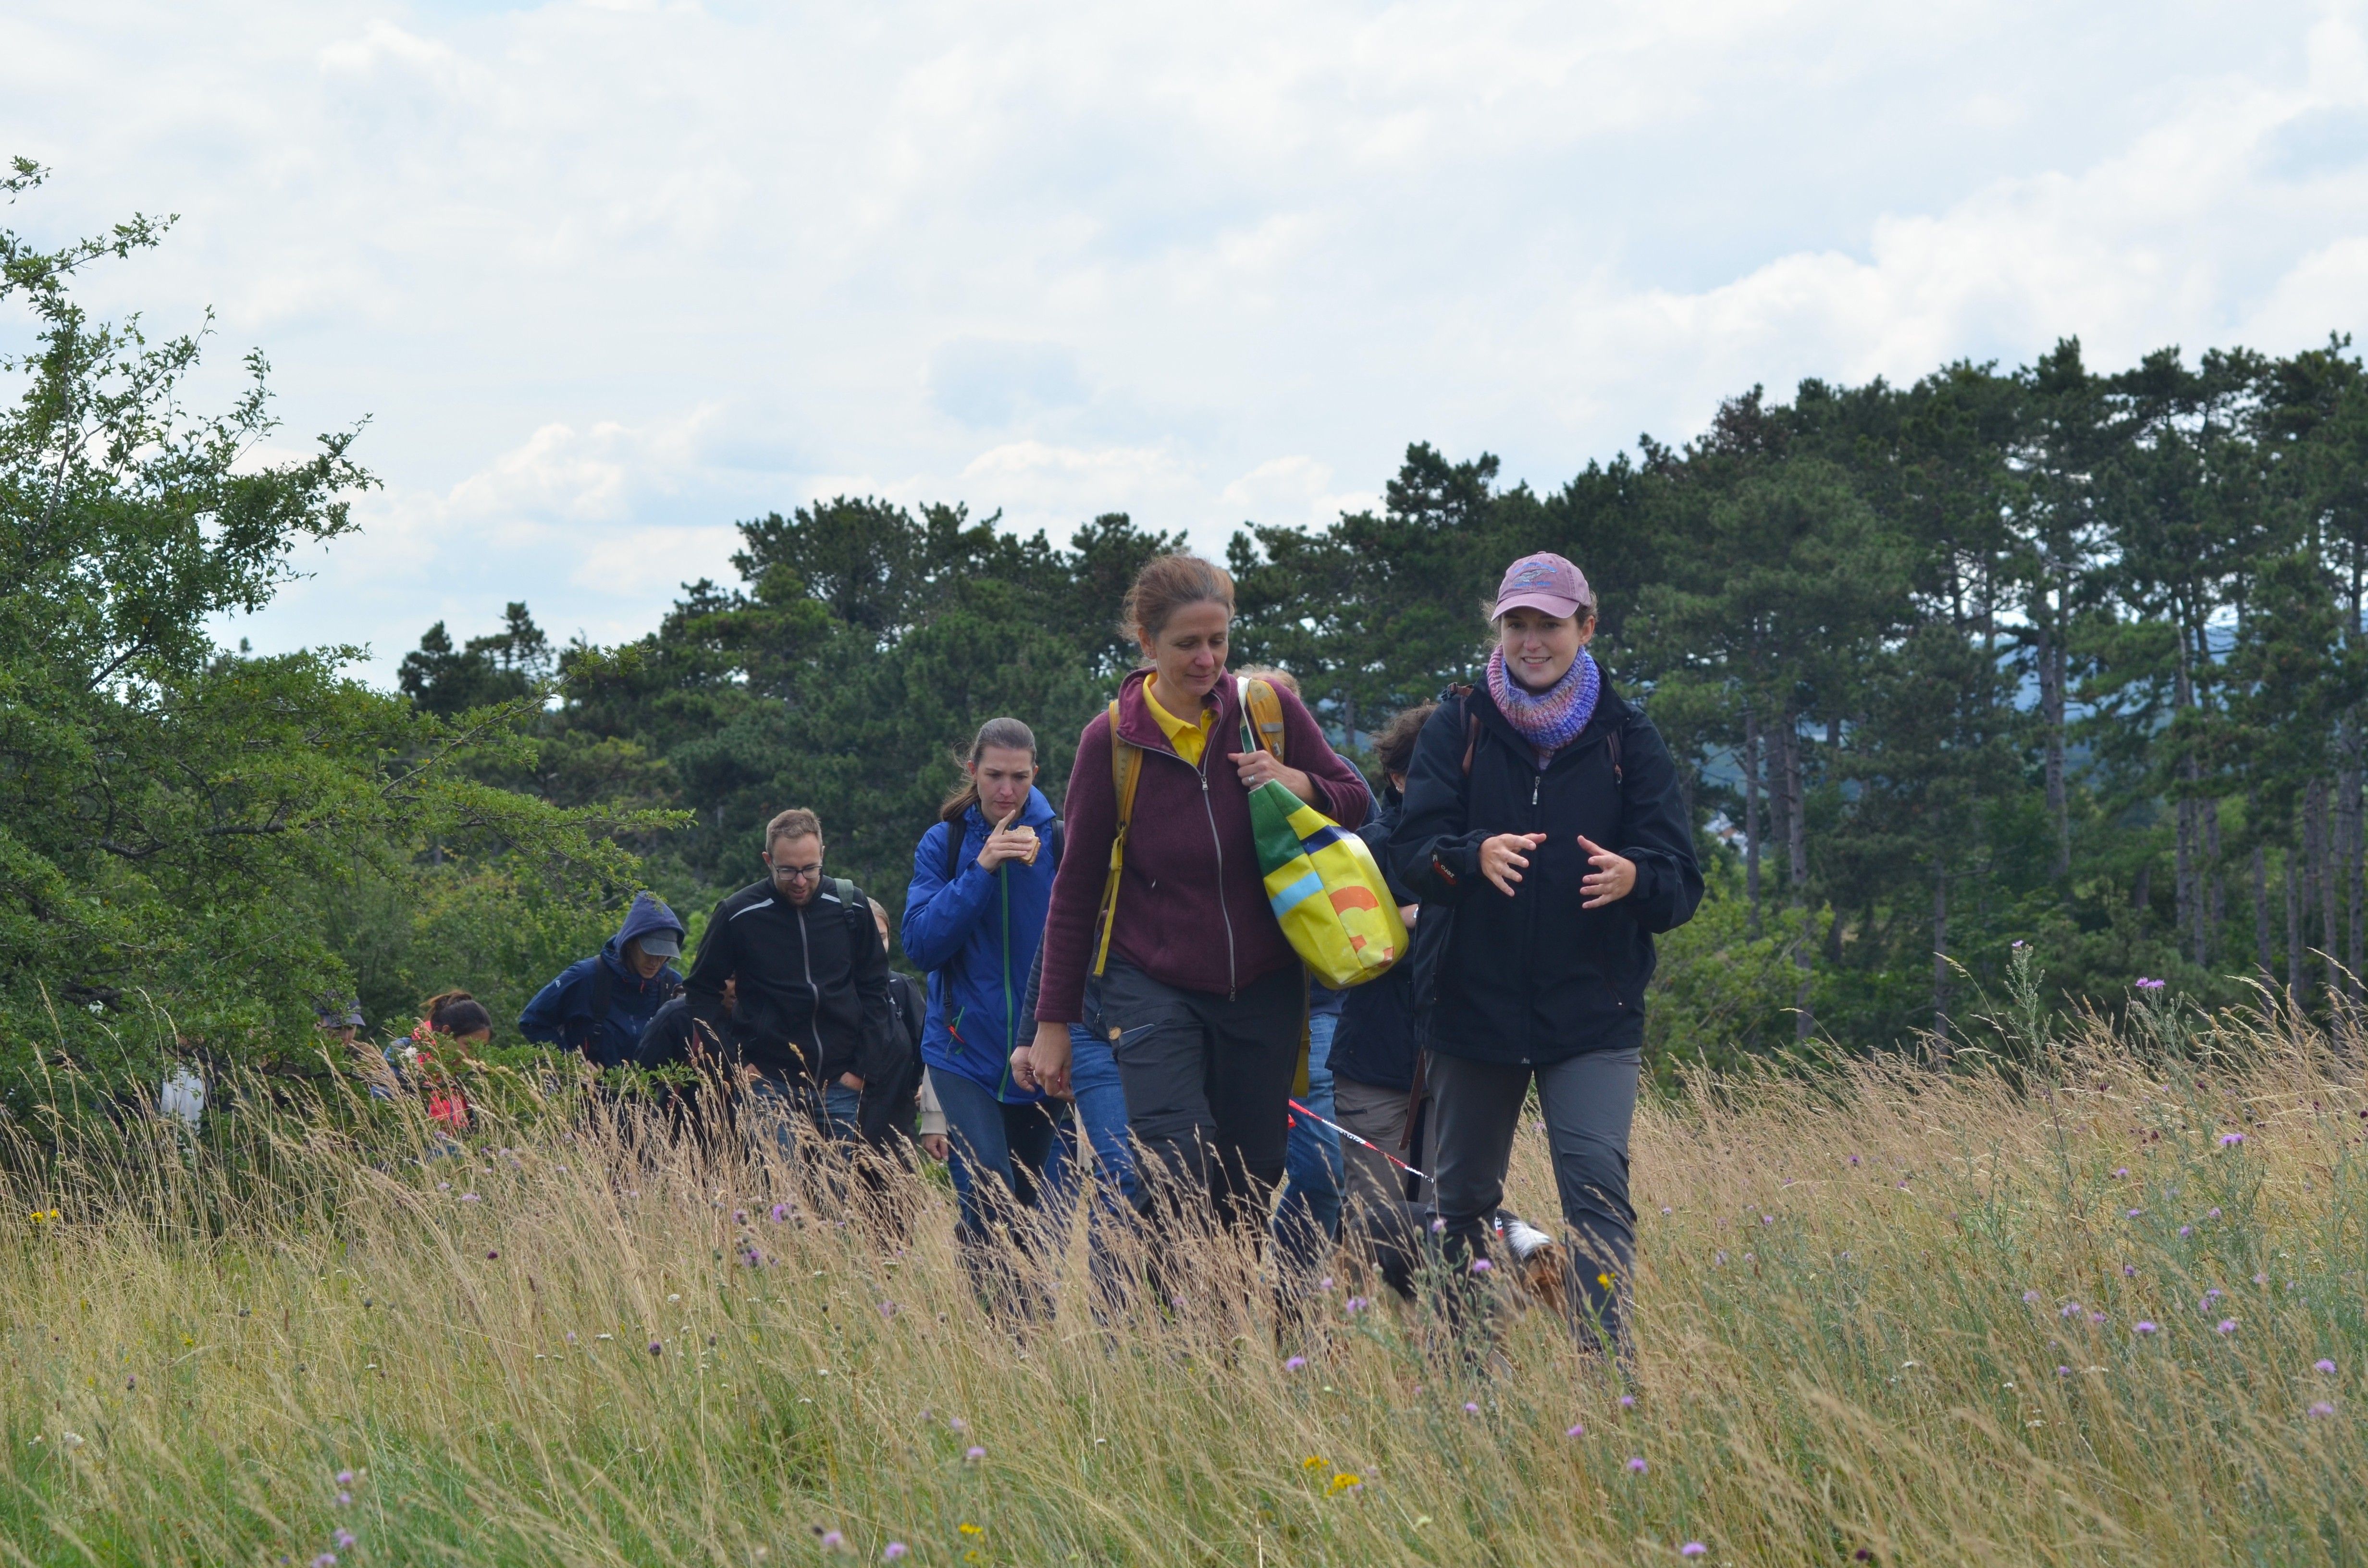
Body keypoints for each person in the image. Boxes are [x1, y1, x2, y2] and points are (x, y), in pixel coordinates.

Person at [1020, 553, 1372, 1280]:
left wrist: (1295, 779)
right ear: (1147, 644)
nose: (1207, 659)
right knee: (1176, 1155)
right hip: (1151, 983)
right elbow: (1076, 890)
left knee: (1253, 1175)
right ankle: (1165, 1308)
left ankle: (1213, 1328)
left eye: (1219, 640)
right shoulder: (1111, 740)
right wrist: (1051, 1027)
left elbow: (1356, 798)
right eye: (1187, 643)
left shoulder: (1268, 710)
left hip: (1268, 985)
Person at [1389, 551, 1702, 1355]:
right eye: (1517, 624)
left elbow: (1680, 882)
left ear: (1585, 627)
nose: (1531, 641)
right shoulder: (1455, 729)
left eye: (1549, 624)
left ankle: (1606, 1384)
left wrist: (1636, 877)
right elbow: (1408, 852)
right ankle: (1466, 1382)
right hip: (1470, 1005)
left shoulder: (1629, 737)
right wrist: (1467, 857)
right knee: (1459, 1201)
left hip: (1590, 1009)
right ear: (1498, 627)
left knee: (1596, 1192)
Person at [901, 717, 1066, 1282]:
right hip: (960, 1050)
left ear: (1035, 775)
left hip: (1040, 1050)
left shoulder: (1061, 842)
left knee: (1027, 1198)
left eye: (1019, 777)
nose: (1006, 791)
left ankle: (1025, 1327)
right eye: (994, 775)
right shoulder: (944, 843)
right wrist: (983, 867)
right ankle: (999, 1317)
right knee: (988, 1181)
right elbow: (921, 945)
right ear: (972, 772)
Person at [682, 808, 898, 1160]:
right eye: (788, 871)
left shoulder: (851, 907)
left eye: (810, 869)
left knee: (837, 1202)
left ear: (823, 855)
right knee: (780, 1200)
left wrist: (862, 1070)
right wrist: (735, 1066)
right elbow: (700, 991)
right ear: (768, 860)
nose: (800, 881)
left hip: (841, 1084)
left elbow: (876, 989)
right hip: (768, 1083)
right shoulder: (739, 914)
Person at [1235, 666, 1350, 1262]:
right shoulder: (1217, 773)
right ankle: (1222, 1292)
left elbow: (1368, 836)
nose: (1267, 723)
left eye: (1280, 711)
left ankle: (1290, 1296)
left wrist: (1298, 785)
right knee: (1228, 1177)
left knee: (1325, 1171)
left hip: (1318, 1006)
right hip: (1228, 1007)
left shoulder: (1330, 777)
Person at [1328, 701, 1434, 1216]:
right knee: (1377, 1228)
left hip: (1463, 1075)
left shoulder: (1492, 853)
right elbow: (1353, 949)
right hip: (1374, 1069)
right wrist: (1412, 920)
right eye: (1427, 772)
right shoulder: (1361, 853)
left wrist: (1414, 916)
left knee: (1454, 1232)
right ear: (1397, 778)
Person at [517, 892, 688, 1068]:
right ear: (630, 943)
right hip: (586, 1093)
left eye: (664, 954)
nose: (656, 962)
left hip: (645, 1094)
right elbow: (532, 1022)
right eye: (650, 951)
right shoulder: (587, 976)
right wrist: (571, 1062)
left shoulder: (671, 985)